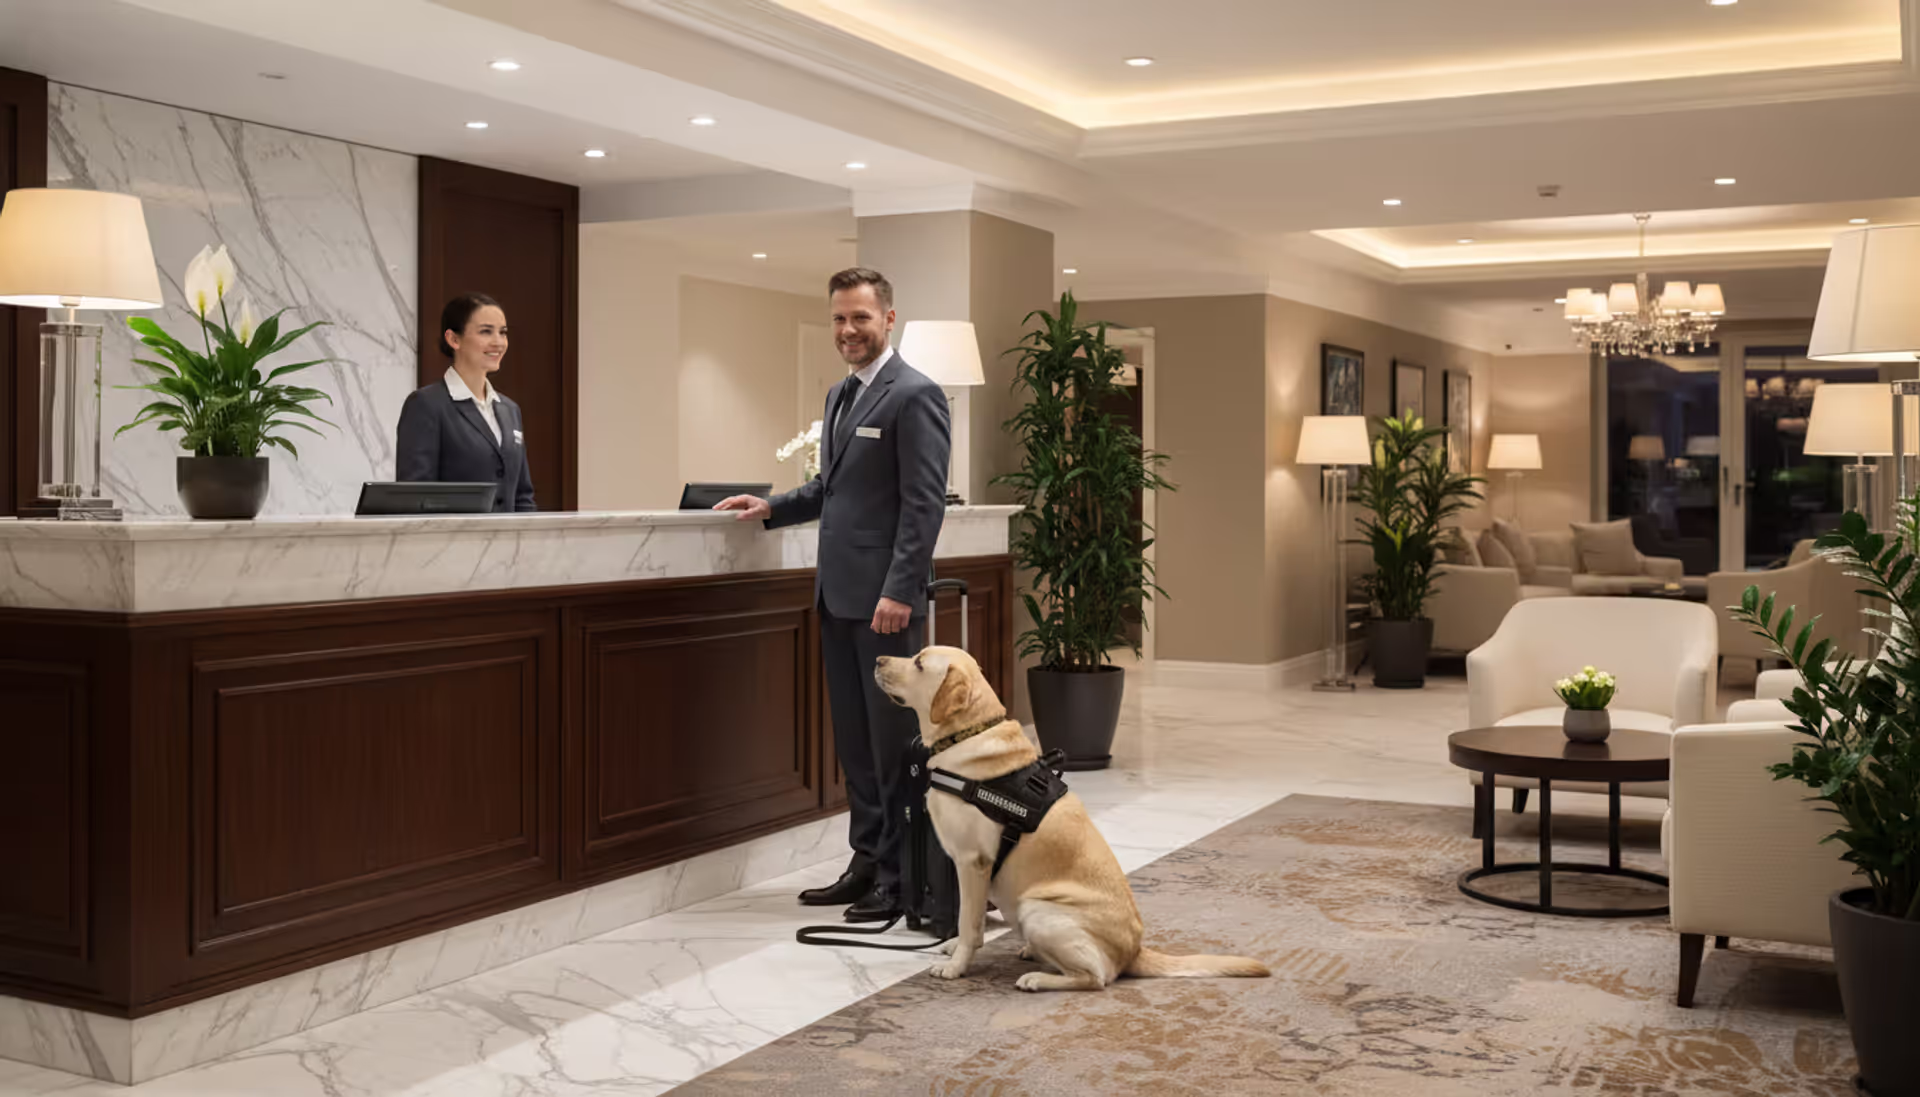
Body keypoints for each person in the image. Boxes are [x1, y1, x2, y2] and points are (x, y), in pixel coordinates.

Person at [715, 267, 951, 923]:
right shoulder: (840, 396)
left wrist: (901, 587)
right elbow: (831, 491)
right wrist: (769, 506)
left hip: (886, 606)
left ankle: (903, 881)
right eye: (840, 319)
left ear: (889, 320)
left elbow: (923, 503)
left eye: (861, 319)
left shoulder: (917, 395)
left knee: (892, 746)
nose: (848, 331)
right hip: (837, 600)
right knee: (854, 744)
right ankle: (867, 862)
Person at [395, 293, 536, 512]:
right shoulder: (426, 405)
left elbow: (523, 497)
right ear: (454, 339)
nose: (498, 342)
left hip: (509, 544)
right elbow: (415, 500)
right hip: (455, 544)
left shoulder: (510, 410)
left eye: (503, 332)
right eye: (486, 331)